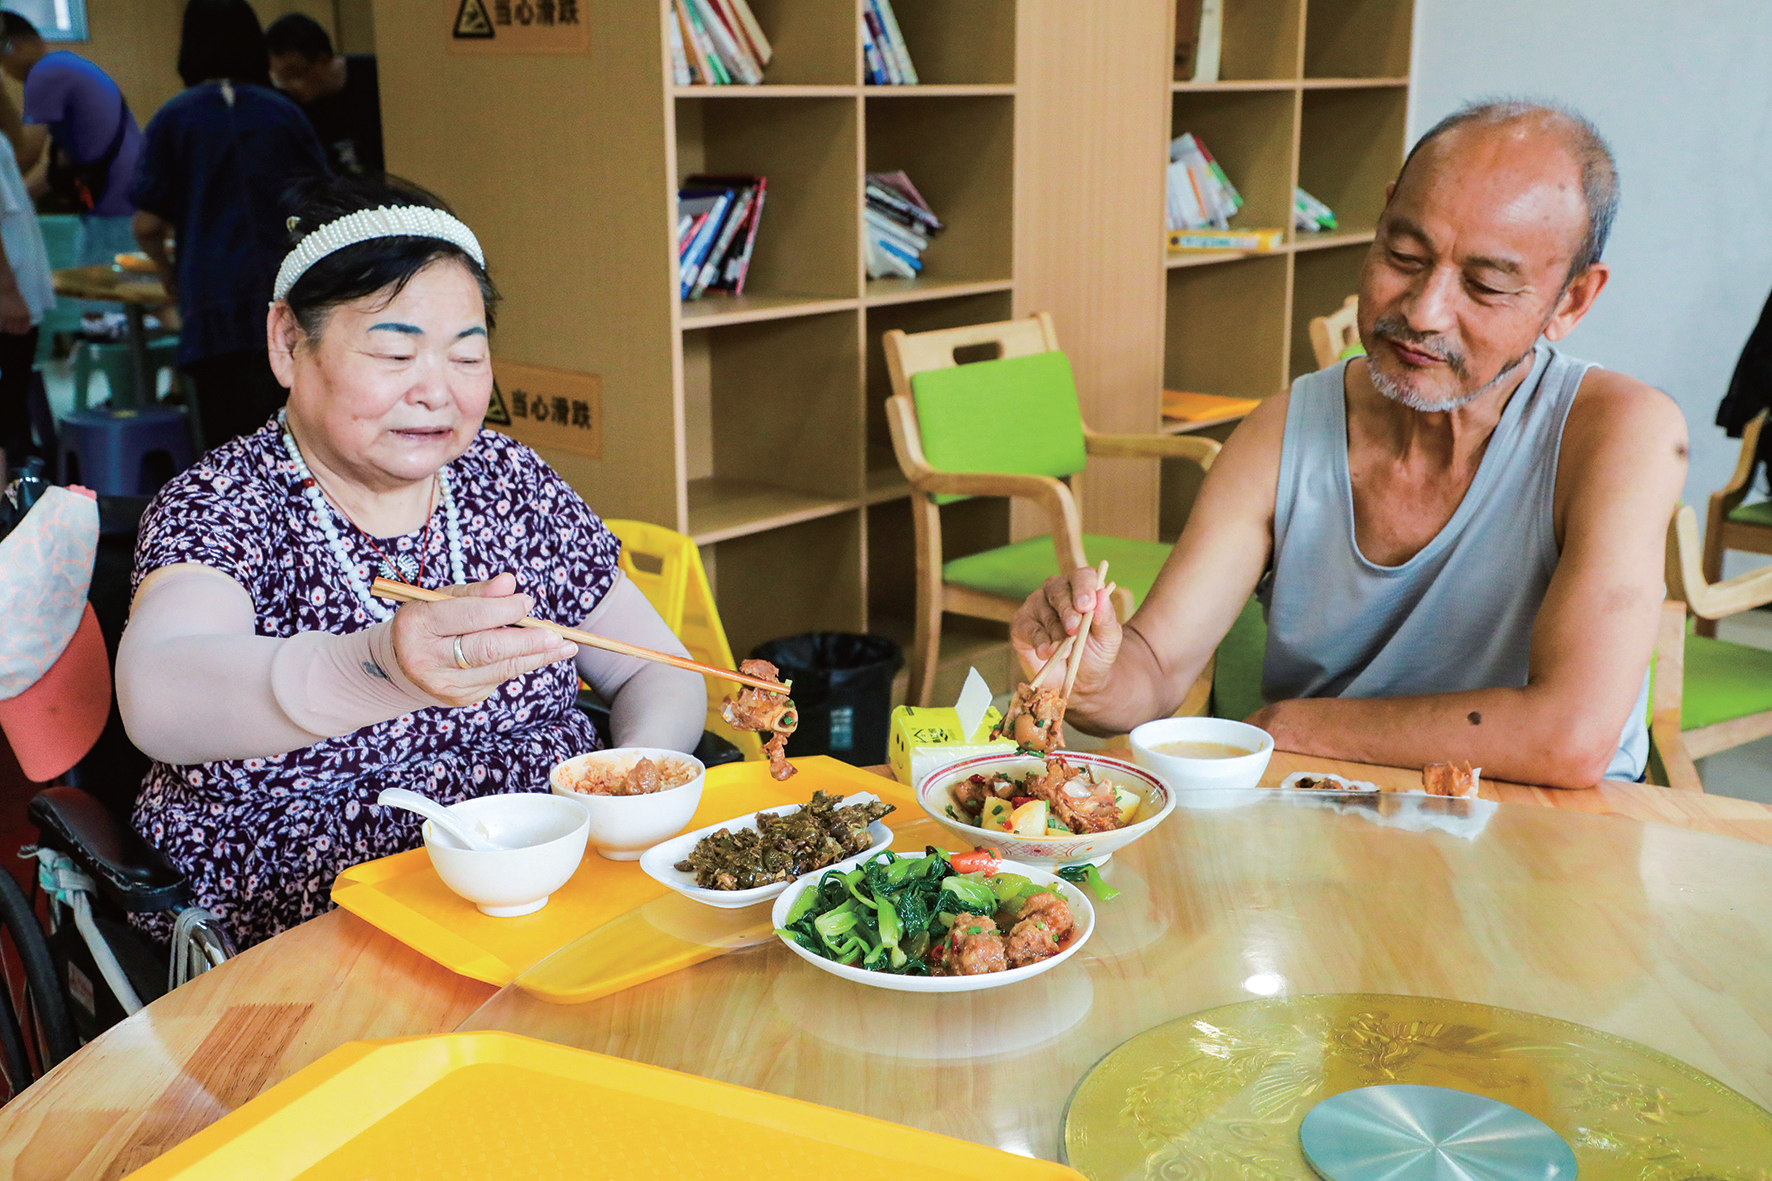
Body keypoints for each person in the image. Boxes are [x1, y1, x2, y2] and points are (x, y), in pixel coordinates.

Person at [1012, 101, 1687, 789]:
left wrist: (1293, 728)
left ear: (1572, 301)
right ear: (1383, 215)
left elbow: (1568, 738)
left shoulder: (1621, 433)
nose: (1423, 312)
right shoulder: (1284, 430)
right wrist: (1092, 675)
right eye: (1403, 254)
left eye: (1485, 285)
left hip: (1544, 836)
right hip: (1320, 815)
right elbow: (1154, 668)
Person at [113, 173, 706, 948]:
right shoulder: (227, 502)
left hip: (555, 894)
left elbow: (655, 665)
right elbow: (158, 688)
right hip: (318, 934)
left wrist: (619, 793)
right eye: (395, 353)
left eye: (468, 356)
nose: (437, 393)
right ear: (288, 343)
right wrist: (380, 665)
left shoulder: (508, 479)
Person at [131, 0, 329, 449]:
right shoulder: (283, 112)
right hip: (289, 294)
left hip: (210, 302)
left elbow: (146, 225)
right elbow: (321, 202)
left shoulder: (174, 118)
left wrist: (169, 275)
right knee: (298, 440)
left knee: (228, 448)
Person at [0, 11, 143, 268]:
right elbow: (60, 166)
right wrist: (19, 197)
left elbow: (25, 156)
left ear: (15, 47)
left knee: (125, 297)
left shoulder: (44, 75)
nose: (6, 72)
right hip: (128, 200)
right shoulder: (66, 66)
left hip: (116, 208)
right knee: (108, 299)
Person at [265, 13, 382, 176]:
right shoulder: (288, 104)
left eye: (294, 75)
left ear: (323, 60)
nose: (288, 87)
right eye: (280, 79)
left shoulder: (374, 76)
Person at [0, 130, 51, 484]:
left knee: (12, 412)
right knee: (6, 415)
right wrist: (6, 291)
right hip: (9, 291)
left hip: (17, 286)